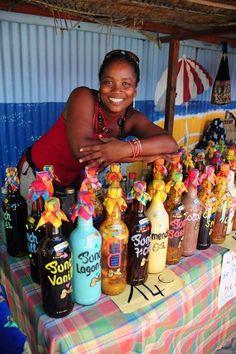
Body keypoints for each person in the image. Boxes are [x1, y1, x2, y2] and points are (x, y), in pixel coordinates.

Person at [18, 49, 178, 200]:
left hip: (72, 183)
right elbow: (81, 152)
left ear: (134, 91)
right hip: (37, 175)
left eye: (126, 84)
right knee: (36, 227)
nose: (117, 90)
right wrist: (146, 153)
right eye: (109, 82)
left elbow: (170, 145)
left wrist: (124, 149)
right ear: (100, 85)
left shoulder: (130, 118)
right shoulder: (82, 97)